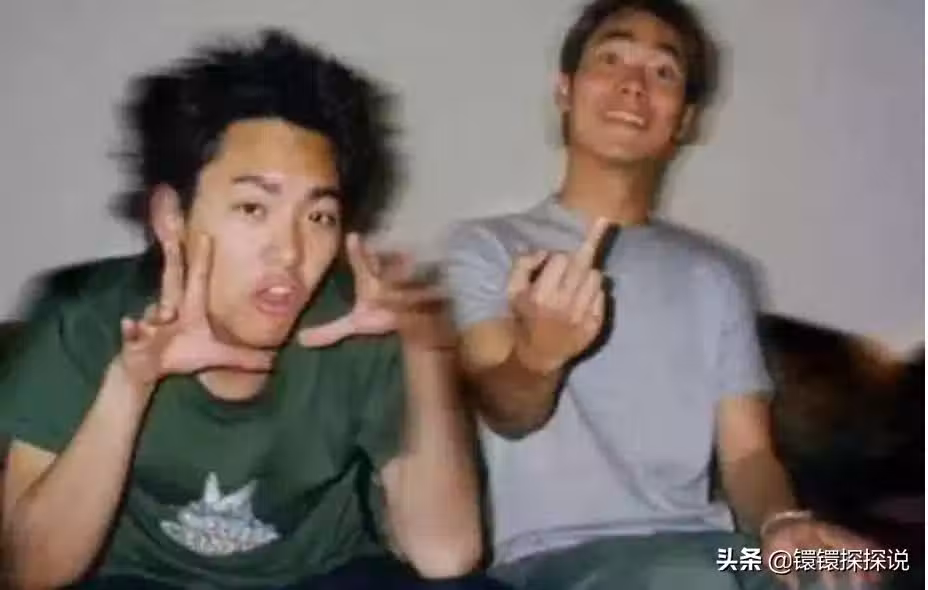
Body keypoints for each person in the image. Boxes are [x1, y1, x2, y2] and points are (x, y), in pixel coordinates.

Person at [0, 29, 505, 590]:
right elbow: (31, 573)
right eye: (252, 208)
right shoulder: (83, 319)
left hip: (324, 577)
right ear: (171, 216)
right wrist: (130, 384)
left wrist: (428, 354)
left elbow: (447, 555)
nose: (290, 252)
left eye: (318, 217)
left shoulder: (357, 326)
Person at [443, 1, 884, 588]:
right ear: (565, 90)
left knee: (876, 567)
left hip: (717, 552)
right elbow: (507, 410)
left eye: (663, 71)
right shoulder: (489, 246)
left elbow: (748, 455)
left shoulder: (719, 275)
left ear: (684, 120)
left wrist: (784, 524)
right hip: (560, 557)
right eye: (611, 58)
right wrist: (539, 356)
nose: (634, 84)